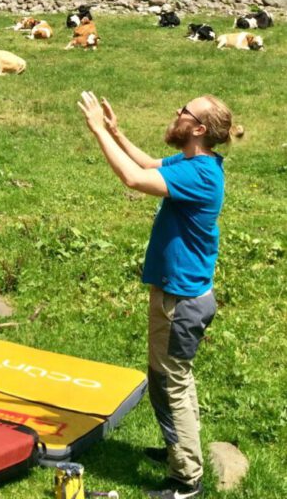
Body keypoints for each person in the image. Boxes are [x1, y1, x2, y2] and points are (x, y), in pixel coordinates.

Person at [78, 91, 241, 499]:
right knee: (170, 380)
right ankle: (180, 451)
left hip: (180, 301)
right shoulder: (195, 163)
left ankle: (186, 479)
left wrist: (97, 130)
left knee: (171, 384)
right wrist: (117, 132)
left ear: (199, 129)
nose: (176, 112)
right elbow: (148, 164)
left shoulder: (200, 174)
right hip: (180, 296)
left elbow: (133, 179)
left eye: (184, 111)